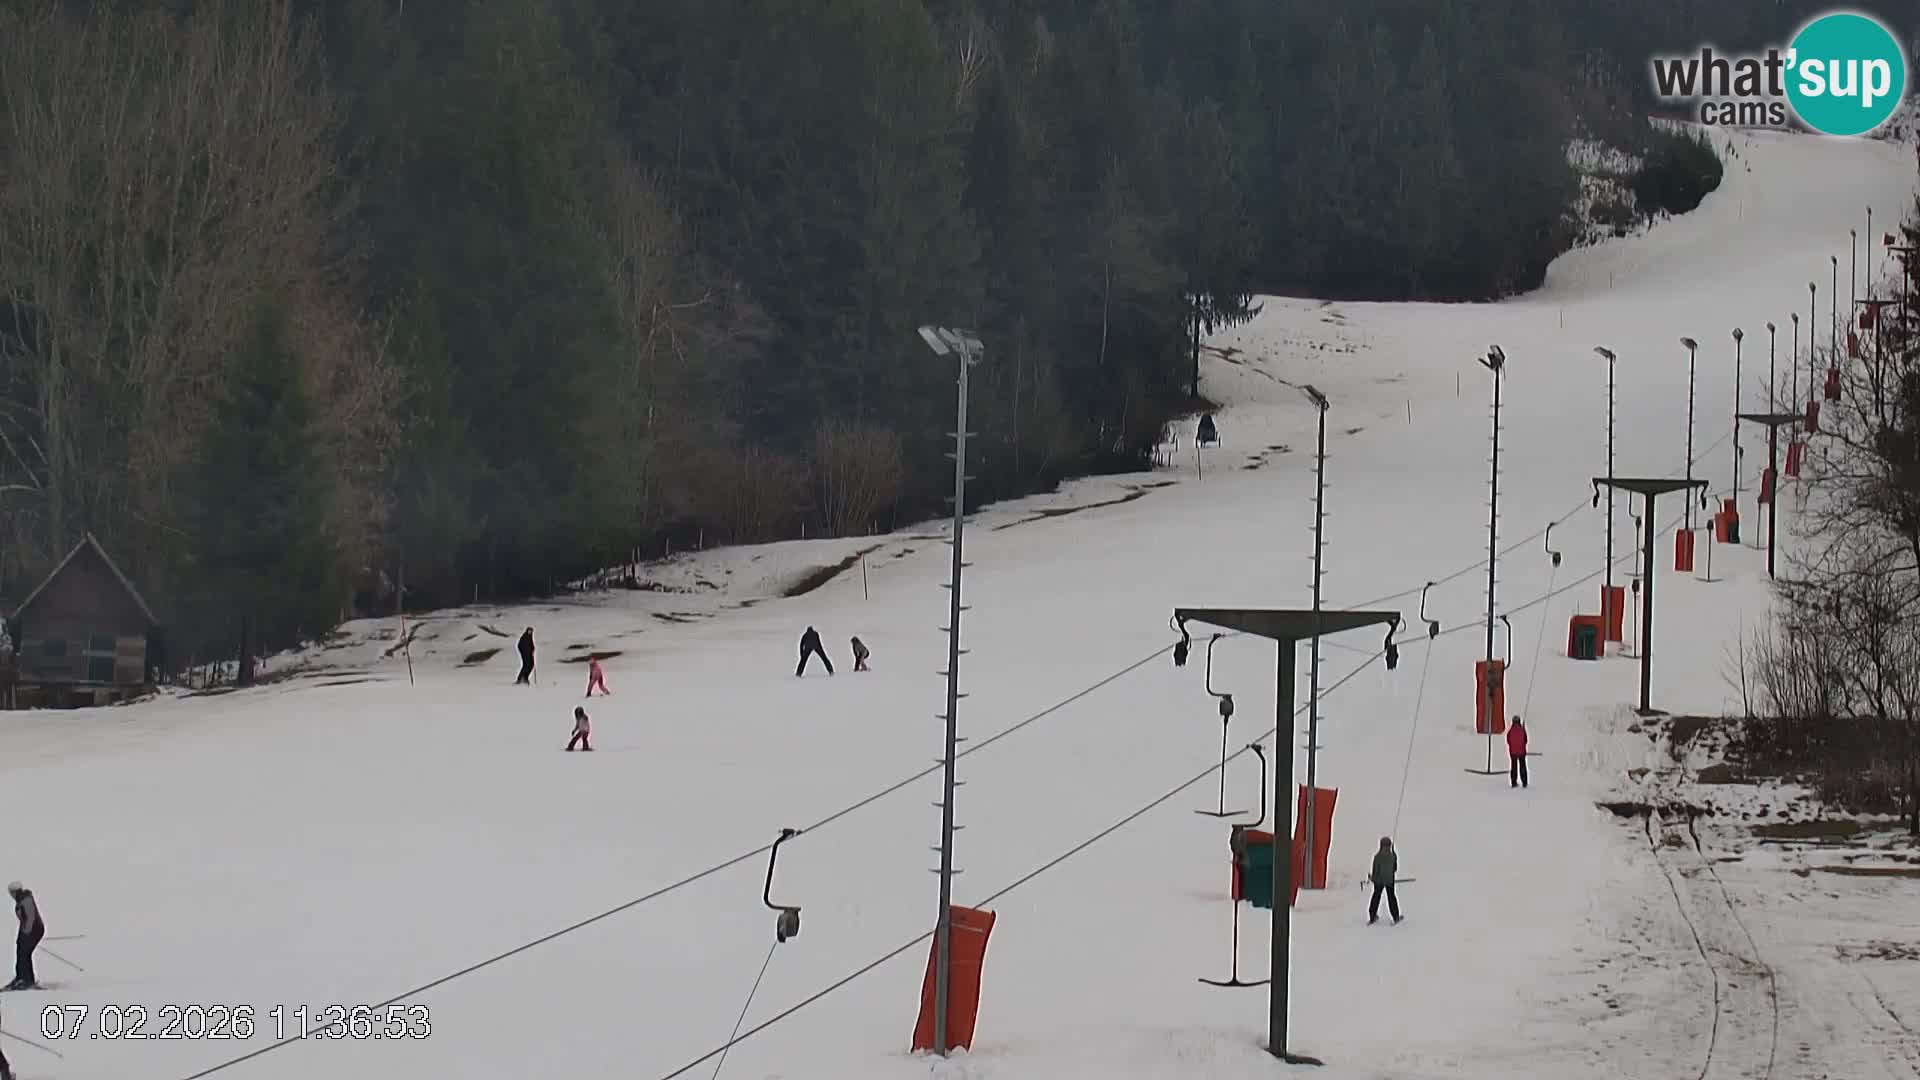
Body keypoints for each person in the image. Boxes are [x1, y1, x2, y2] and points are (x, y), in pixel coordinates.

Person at [7, 883, 42, 990]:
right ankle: (21, 977)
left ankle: (27, 980)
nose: (11, 895)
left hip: (34, 930)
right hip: (27, 930)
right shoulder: (21, 900)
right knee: (21, 952)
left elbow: (31, 917)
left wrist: (26, 933)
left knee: (24, 954)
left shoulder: (26, 900)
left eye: (11, 892)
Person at [1368, 838, 1401, 925]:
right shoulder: (1392, 856)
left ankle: (1372, 916)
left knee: (1376, 897)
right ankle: (1396, 916)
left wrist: (1373, 878)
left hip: (1378, 881)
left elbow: (1375, 870)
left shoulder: (1377, 857)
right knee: (1391, 898)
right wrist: (1394, 854)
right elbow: (1394, 869)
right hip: (1390, 881)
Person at [1507, 716, 1529, 789]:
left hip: (1513, 753)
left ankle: (1513, 782)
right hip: (1521, 752)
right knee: (1522, 766)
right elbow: (1525, 740)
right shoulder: (1522, 730)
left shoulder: (1510, 731)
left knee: (1514, 767)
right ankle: (1524, 782)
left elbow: (1508, 740)